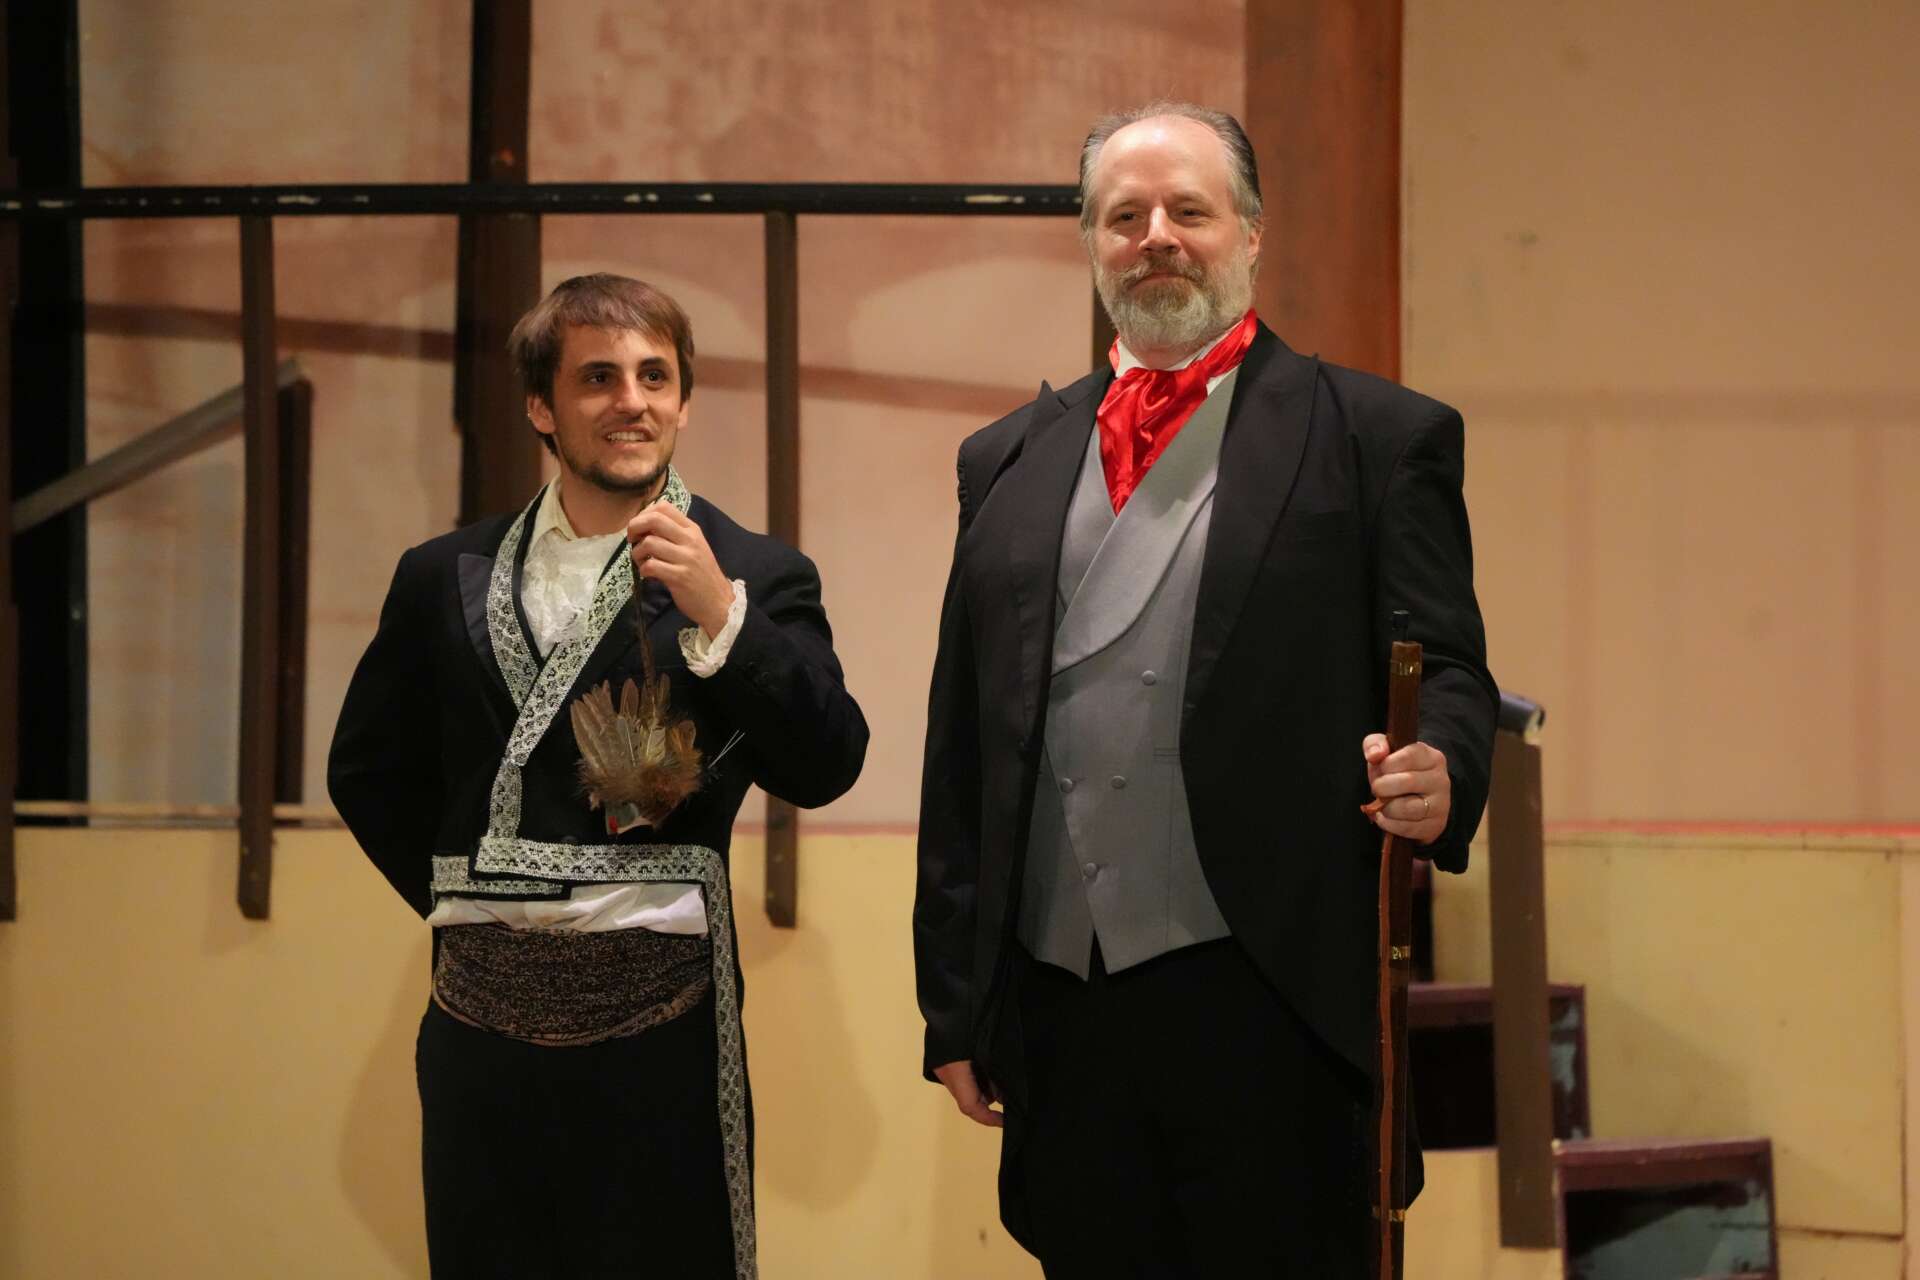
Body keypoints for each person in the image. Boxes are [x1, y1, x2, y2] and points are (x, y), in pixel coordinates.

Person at [913, 102, 1497, 1275]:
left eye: (1189, 209)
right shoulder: (1005, 458)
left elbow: (1446, 666)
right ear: (1091, 244)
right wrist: (953, 1000)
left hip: (1272, 991)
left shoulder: (1378, 436)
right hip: (1062, 995)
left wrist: (1443, 764)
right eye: (1124, 217)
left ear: (1252, 233)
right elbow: (964, 743)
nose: (1157, 238)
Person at [330, 273, 867, 1279]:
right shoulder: (439, 573)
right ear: (542, 406)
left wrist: (724, 616)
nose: (633, 400)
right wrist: (479, 900)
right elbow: (365, 770)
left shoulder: (755, 570)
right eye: (598, 378)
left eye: (656, 376)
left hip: (664, 1033)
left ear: (685, 400)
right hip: (476, 1030)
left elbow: (829, 760)